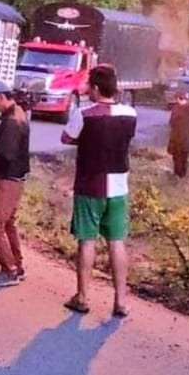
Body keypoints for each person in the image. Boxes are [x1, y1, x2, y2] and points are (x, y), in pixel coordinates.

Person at [61, 65, 136, 318]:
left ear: (94, 88)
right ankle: (121, 301)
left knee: (87, 240)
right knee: (117, 242)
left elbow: (66, 138)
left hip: (89, 184)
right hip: (119, 185)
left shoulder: (84, 114)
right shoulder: (130, 114)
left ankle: (82, 297)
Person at [0, 81, 31, 288]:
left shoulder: (11, 121)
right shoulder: (18, 114)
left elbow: (5, 154)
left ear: (1, 97)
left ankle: (9, 270)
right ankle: (16, 265)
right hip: (16, 178)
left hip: (8, 179)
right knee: (8, 224)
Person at [167, 91, 189, 179]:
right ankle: (182, 174)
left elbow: (172, 122)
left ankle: (177, 174)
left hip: (177, 137)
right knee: (184, 156)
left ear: (178, 98)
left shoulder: (176, 109)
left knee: (177, 156)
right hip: (186, 137)